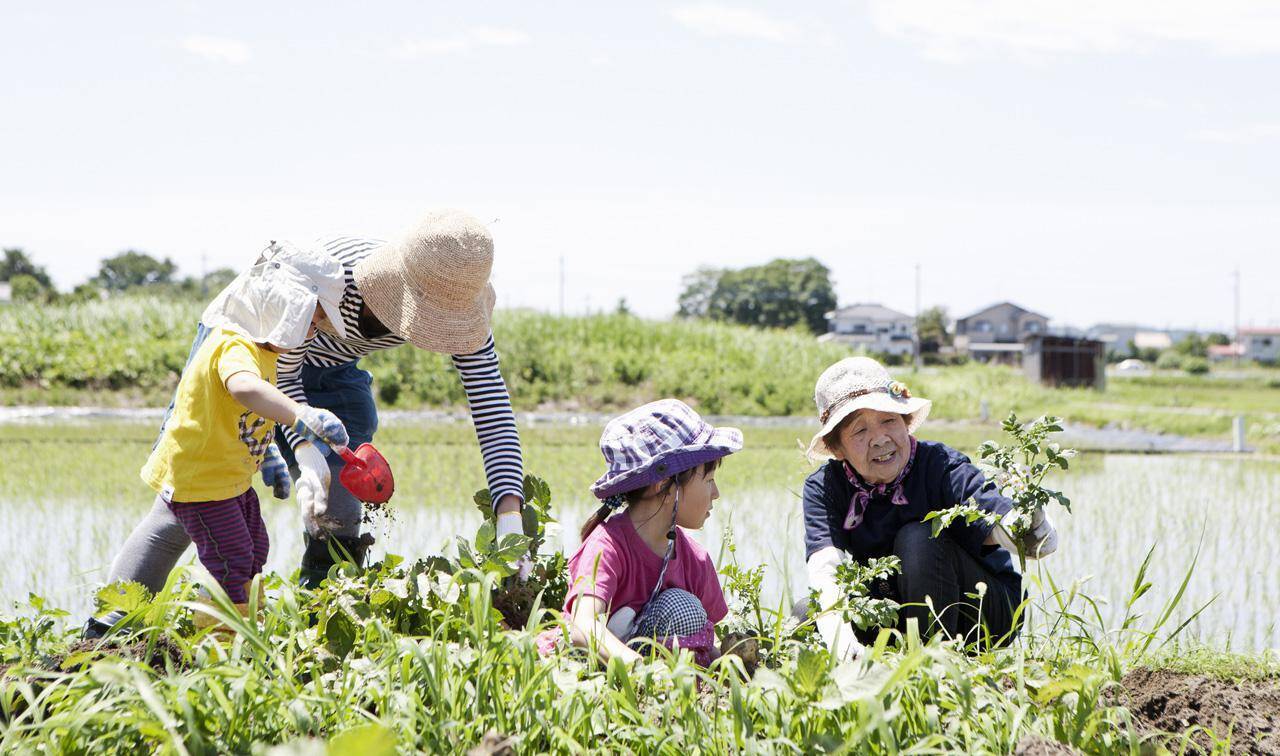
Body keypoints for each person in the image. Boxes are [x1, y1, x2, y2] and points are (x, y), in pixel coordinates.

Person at [89, 209, 529, 606]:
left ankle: (321, 610)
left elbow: (493, 411)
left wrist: (510, 514)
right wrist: (302, 447)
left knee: (339, 497)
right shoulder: (322, 279)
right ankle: (107, 628)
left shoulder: (460, 299)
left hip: (335, 369)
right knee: (191, 495)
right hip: (250, 352)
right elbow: (281, 372)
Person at [85, 243, 352, 636]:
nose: (310, 334)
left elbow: (237, 413)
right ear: (283, 309)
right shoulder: (234, 343)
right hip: (203, 478)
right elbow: (243, 389)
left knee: (255, 548)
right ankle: (221, 641)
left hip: (228, 476)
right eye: (309, 323)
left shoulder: (265, 352)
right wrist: (301, 415)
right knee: (231, 558)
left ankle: (228, 621)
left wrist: (267, 454)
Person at [801, 357, 1059, 659]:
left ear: (906, 422)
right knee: (808, 612)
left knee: (918, 539)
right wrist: (839, 638)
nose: (880, 439)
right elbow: (825, 566)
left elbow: (992, 513)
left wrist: (1026, 529)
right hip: (890, 605)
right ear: (836, 448)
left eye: (889, 421)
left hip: (982, 608)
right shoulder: (825, 487)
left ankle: (930, 668)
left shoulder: (940, 465)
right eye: (860, 432)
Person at [542, 399, 743, 666]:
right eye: (708, 480)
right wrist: (639, 671)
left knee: (687, 610)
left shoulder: (697, 561)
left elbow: (707, 643)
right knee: (681, 605)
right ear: (665, 485)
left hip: (652, 678)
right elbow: (582, 625)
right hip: (586, 666)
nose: (715, 493)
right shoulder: (607, 545)